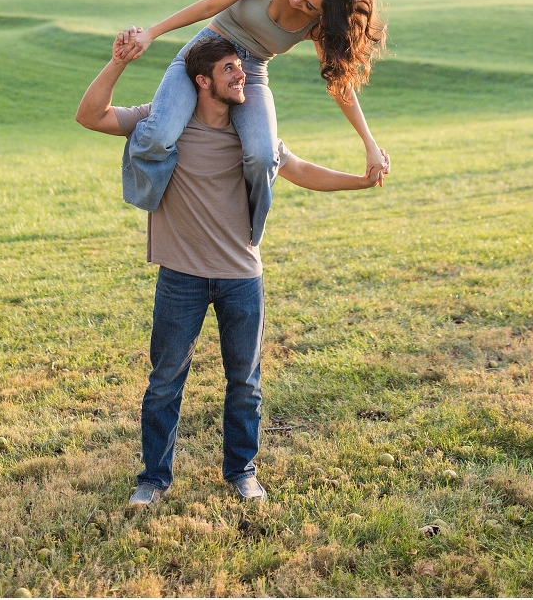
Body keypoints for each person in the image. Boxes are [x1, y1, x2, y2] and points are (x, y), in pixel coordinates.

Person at [76, 34, 388, 506]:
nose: (242, 74)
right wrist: (118, 62)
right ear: (202, 81)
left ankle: (242, 472)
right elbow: (90, 116)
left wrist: (358, 183)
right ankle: (153, 479)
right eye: (229, 69)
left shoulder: (252, 134)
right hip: (180, 276)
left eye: (239, 66)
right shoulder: (163, 123)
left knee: (245, 383)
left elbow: (299, 169)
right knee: (164, 382)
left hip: (243, 276)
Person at [117, 0, 388, 248]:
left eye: (310, 6)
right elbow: (210, 5)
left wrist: (369, 144)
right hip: (204, 54)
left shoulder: (317, 26)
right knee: (158, 135)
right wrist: (151, 34)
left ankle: (246, 239)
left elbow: (339, 85)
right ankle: (155, 199)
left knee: (262, 157)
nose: (298, 0)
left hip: (252, 74)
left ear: (323, 14)